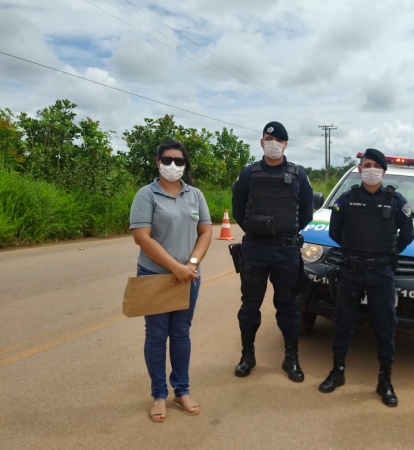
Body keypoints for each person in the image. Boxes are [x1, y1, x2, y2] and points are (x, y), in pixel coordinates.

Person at [319, 148, 414, 407]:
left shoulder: (396, 201)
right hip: (350, 271)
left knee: (385, 328)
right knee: (343, 323)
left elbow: (407, 235)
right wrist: (355, 251)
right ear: (360, 169)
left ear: (383, 170)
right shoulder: (346, 200)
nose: (371, 169)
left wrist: (385, 253)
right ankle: (337, 372)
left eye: (376, 165)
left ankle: (385, 380)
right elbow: (335, 232)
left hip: (381, 273)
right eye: (366, 164)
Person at [130, 139, 212, 423]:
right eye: (167, 160)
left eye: (179, 161)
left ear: (185, 165)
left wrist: (189, 265)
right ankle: (158, 394)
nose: (173, 166)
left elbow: (205, 232)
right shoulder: (146, 194)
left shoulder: (195, 195)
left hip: (187, 277)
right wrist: (174, 267)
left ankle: (182, 390)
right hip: (154, 275)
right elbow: (142, 237)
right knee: (155, 336)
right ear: (158, 162)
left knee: (180, 334)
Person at [231, 121, 313, 382]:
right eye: (268, 138)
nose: (273, 143)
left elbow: (307, 213)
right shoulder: (248, 174)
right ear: (261, 142)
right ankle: (247, 355)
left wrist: (284, 233)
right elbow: (238, 209)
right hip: (255, 248)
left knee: (288, 306)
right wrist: (258, 231)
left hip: (286, 250)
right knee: (249, 305)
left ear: (286, 144)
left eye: (278, 140)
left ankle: (291, 359)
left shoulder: (298, 175)